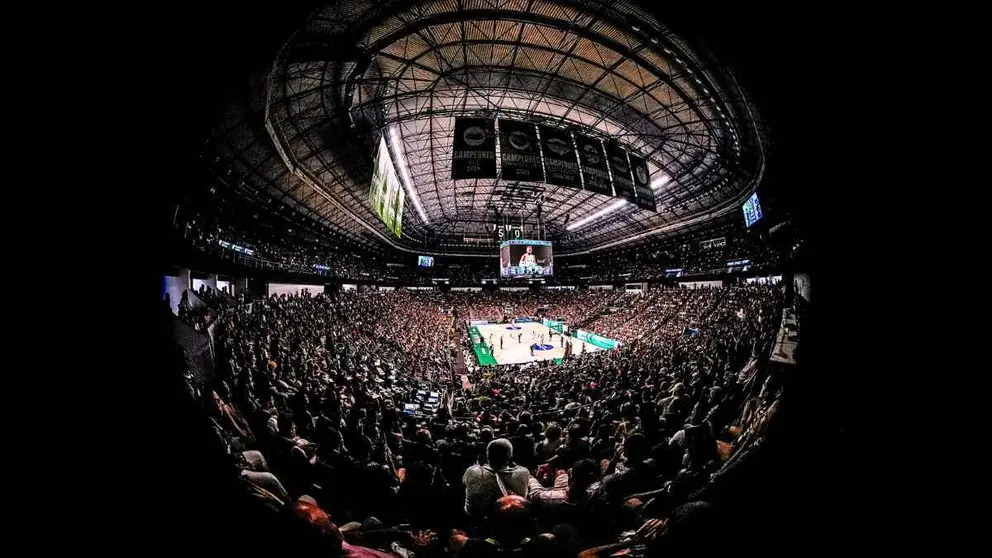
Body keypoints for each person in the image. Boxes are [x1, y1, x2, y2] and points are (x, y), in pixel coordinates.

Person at [462, 438, 533, 518]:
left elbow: (465, 484)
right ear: (510, 456)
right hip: (509, 519)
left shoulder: (471, 470)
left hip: (474, 517)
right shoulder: (523, 472)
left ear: (487, 455)